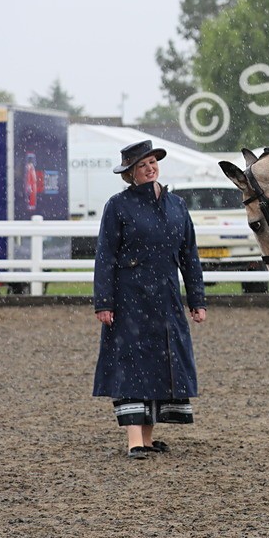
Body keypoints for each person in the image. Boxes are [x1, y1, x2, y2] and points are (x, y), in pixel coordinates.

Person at [93, 140, 206, 460]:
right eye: (141, 165)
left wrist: (197, 299)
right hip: (129, 299)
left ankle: (147, 437)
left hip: (167, 299)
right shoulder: (118, 206)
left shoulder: (177, 206)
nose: (149, 168)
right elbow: (105, 256)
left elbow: (189, 255)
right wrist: (104, 302)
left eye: (152, 162)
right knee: (131, 365)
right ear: (130, 173)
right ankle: (134, 441)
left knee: (160, 364)